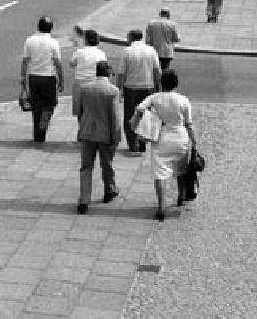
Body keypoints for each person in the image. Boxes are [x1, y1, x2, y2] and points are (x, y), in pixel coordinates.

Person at [132, 69, 197, 221]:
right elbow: (189, 123)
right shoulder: (183, 100)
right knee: (181, 169)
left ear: (162, 83)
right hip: (180, 137)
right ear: (176, 84)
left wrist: (141, 120)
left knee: (160, 174)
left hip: (161, 138)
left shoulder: (155, 98)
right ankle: (181, 197)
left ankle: (161, 206)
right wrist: (194, 140)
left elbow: (140, 108)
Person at [74, 61, 122, 214]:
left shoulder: (85, 88)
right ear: (109, 74)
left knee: (86, 166)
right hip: (105, 134)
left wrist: (83, 124)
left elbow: (80, 111)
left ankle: (84, 199)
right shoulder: (113, 91)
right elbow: (114, 117)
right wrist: (116, 136)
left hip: (87, 132)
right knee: (106, 164)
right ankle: (109, 189)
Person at [115, 29, 161, 154]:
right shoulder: (151, 50)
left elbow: (121, 73)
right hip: (148, 87)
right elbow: (157, 71)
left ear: (130, 38)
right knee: (145, 116)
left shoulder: (127, 51)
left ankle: (132, 144)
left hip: (131, 87)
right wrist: (158, 87)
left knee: (130, 116)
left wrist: (119, 89)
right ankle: (142, 143)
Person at [20, 16, 65, 143]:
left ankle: (38, 134)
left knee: (36, 107)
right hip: (48, 78)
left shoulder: (29, 41)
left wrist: (23, 78)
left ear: (38, 27)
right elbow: (57, 62)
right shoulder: (53, 43)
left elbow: (25, 61)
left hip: (33, 77)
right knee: (50, 105)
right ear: (51, 28)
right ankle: (42, 128)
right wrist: (61, 80)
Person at [69, 29, 107, 112]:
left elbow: (71, 63)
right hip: (94, 83)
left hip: (80, 83)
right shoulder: (101, 53)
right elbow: (104, 69)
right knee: (93, 111)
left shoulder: (79, 52)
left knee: (80, 111)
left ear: (85, 40)